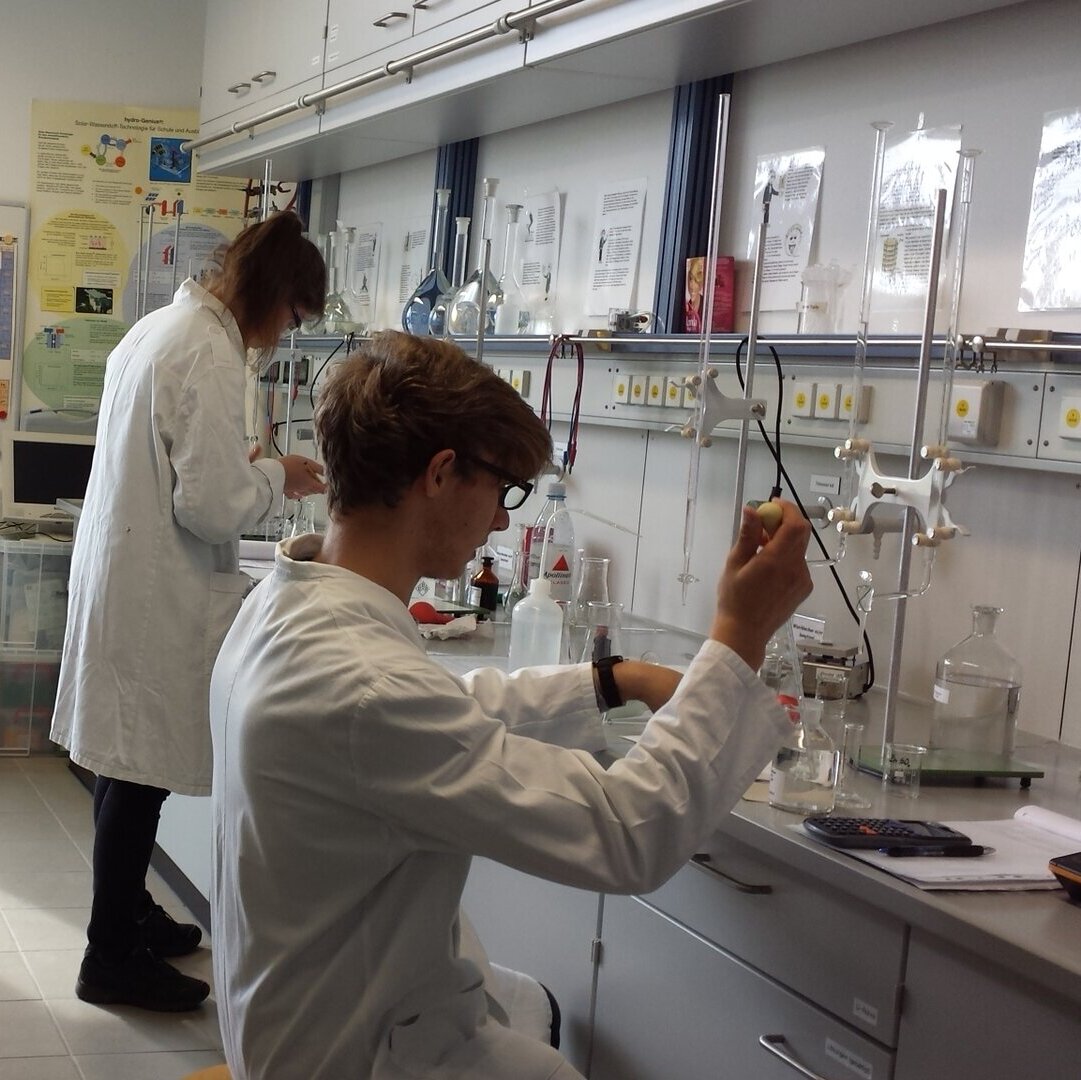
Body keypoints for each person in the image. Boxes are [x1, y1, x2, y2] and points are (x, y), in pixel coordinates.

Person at [210, 330, 812, 1079]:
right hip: (355, 1055)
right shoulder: (363, 686)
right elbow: (628, 830)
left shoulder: (287, 604)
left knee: (526, 1006)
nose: (501, 522)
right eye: (502, 491)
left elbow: (441, 711)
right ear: (440, 473)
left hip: (313, 1013)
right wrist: (739, 637)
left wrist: (611, 679)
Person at [51, 211, 328, 1013]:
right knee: (137, 773)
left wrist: (243, 469)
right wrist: (277, 476)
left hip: (127, 571)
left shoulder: (159, 329)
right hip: (154, 587)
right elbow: (209, 508)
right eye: (291, 318)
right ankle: (110, 956)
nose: (281, 336)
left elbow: (182, 467)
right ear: (272, 294)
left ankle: (129, 915)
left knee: (124, 761)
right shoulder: (207, 350)